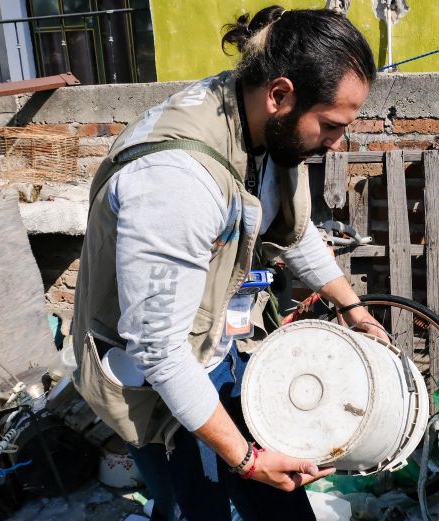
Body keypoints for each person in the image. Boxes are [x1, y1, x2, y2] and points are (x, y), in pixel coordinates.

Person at [71, 6, 382, 521]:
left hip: (215, 348)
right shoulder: (177, 181)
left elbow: (292, 230)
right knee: (197, 507)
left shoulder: (265, 129)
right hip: (158, 381)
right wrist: (249, 459)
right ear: (280, 94)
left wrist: (353, 308)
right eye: (330, 125)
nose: (337, 141)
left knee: (280, 509)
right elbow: (159, 351)